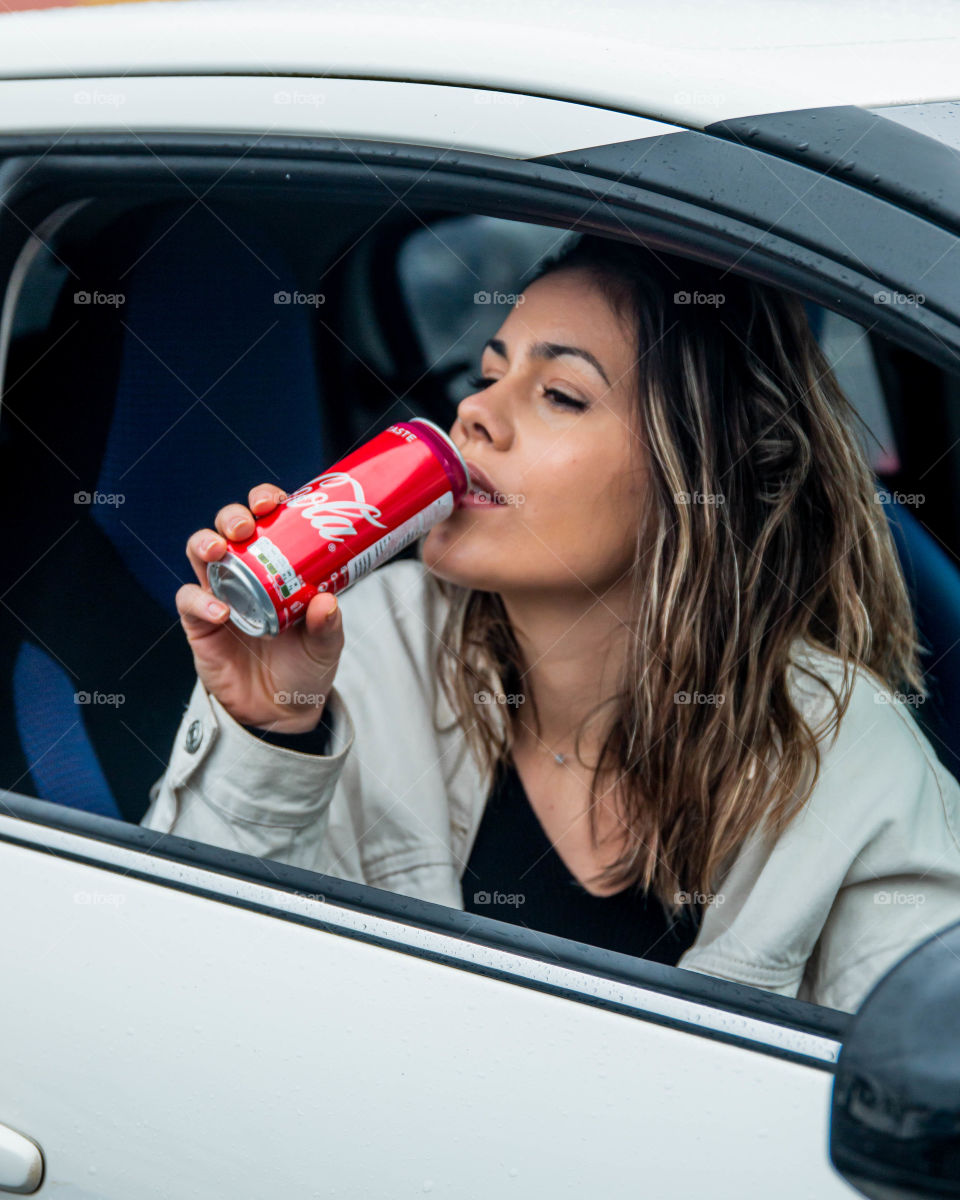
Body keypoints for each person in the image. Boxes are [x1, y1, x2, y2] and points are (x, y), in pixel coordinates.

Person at [142, 234, 960, 1013]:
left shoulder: (849, 757)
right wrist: (272, 735)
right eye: (486, 373)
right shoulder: (359, 647)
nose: (474, 414)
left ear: (698, 479)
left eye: (560, 395)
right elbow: (178, 982)